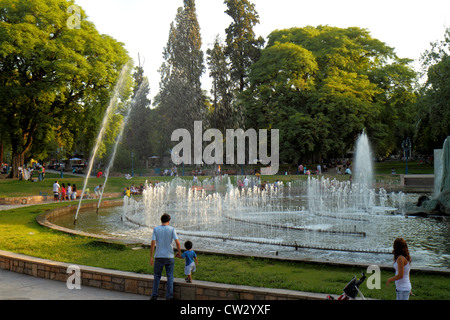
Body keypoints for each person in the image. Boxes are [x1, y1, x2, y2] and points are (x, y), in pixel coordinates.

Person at [150, 213, 181, 300]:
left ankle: (154, 295)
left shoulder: (156, 229)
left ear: (161, 220)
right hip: (169, 256)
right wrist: (179, 252)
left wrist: (151, 256)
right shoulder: (172, 229)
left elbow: (153, 243)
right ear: (168, 221)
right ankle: (169, 296)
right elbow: (177, 242)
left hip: (158, 256)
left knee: (156, 276)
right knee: (170, 276)